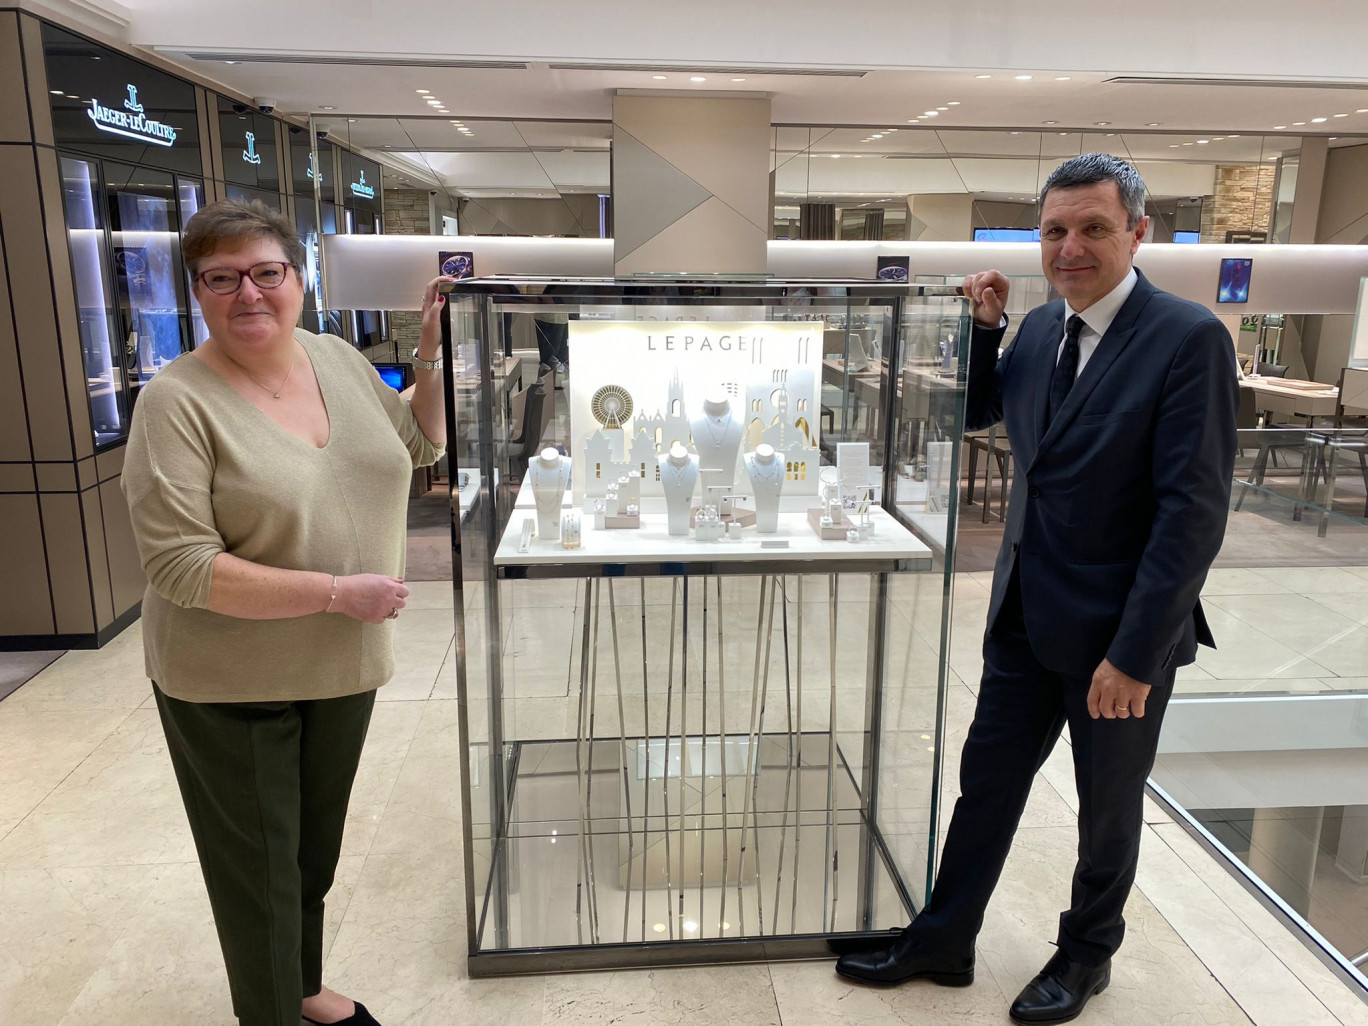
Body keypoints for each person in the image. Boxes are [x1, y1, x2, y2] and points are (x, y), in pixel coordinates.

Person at [835, 153, 1238, 1025]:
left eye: (1093, 228)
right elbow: (981, 414)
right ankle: (945, 936)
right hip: (1024, 611)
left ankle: (1087, 954)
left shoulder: (1187, 337)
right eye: (1055, 230)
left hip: (1118, 637)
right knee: (986, 785)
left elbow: (1191, 516)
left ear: (1138, 232)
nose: (1070, 247)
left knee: (1105, 814)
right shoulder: (1040, 329)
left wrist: (1135, 655)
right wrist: (985, 328)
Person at [121, 199, 448, 1026]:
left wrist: (434, 359)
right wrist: (340, 593)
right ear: (196, 292)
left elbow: (419, 448)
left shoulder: (334, 358)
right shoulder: (176, 401)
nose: (249, 295)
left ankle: (301, 988)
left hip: (341, 663)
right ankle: (270, 1012)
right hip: (233, 675)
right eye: (222, 279)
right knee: (258, 870)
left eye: (268, 273)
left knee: (307, 857)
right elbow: (181, 565)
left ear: (298, 280)